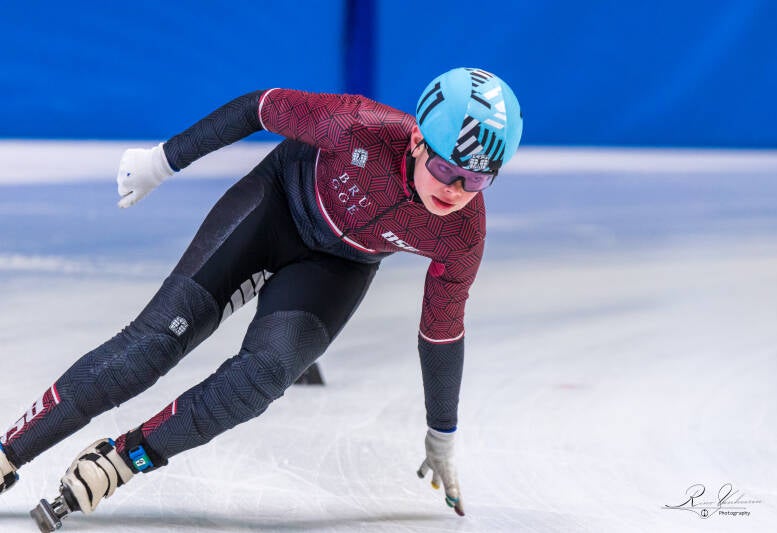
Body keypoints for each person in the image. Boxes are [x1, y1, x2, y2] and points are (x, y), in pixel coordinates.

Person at [0, 67, 522, 524]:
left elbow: (441, 332)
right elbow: (259, 107)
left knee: (265, 377)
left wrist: (442, 432)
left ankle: (123, 460)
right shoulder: (358, 124)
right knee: (153, 344)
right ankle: (9, 452)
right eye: (446, 170)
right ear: (416, 142)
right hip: (274, 207)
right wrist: (165, 159)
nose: (454, 191)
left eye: (475, 180)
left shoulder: (462, 233)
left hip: (336, 267)